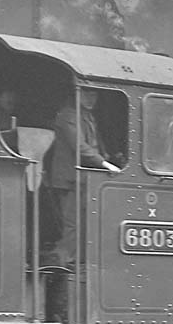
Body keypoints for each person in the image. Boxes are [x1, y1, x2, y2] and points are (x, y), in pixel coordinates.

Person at [44, 90, 120, 267]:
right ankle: (68, 261)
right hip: (70, 178)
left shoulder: (88, 116)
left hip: (85, 178)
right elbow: (79, 146)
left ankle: (79, 259)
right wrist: (105, 164)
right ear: (77, 94)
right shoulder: (68, 115)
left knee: (83, 221)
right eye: (87, 95)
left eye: (94, 95)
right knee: (73, 223)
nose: (92, 99)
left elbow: (95, 144)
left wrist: (109, 157)